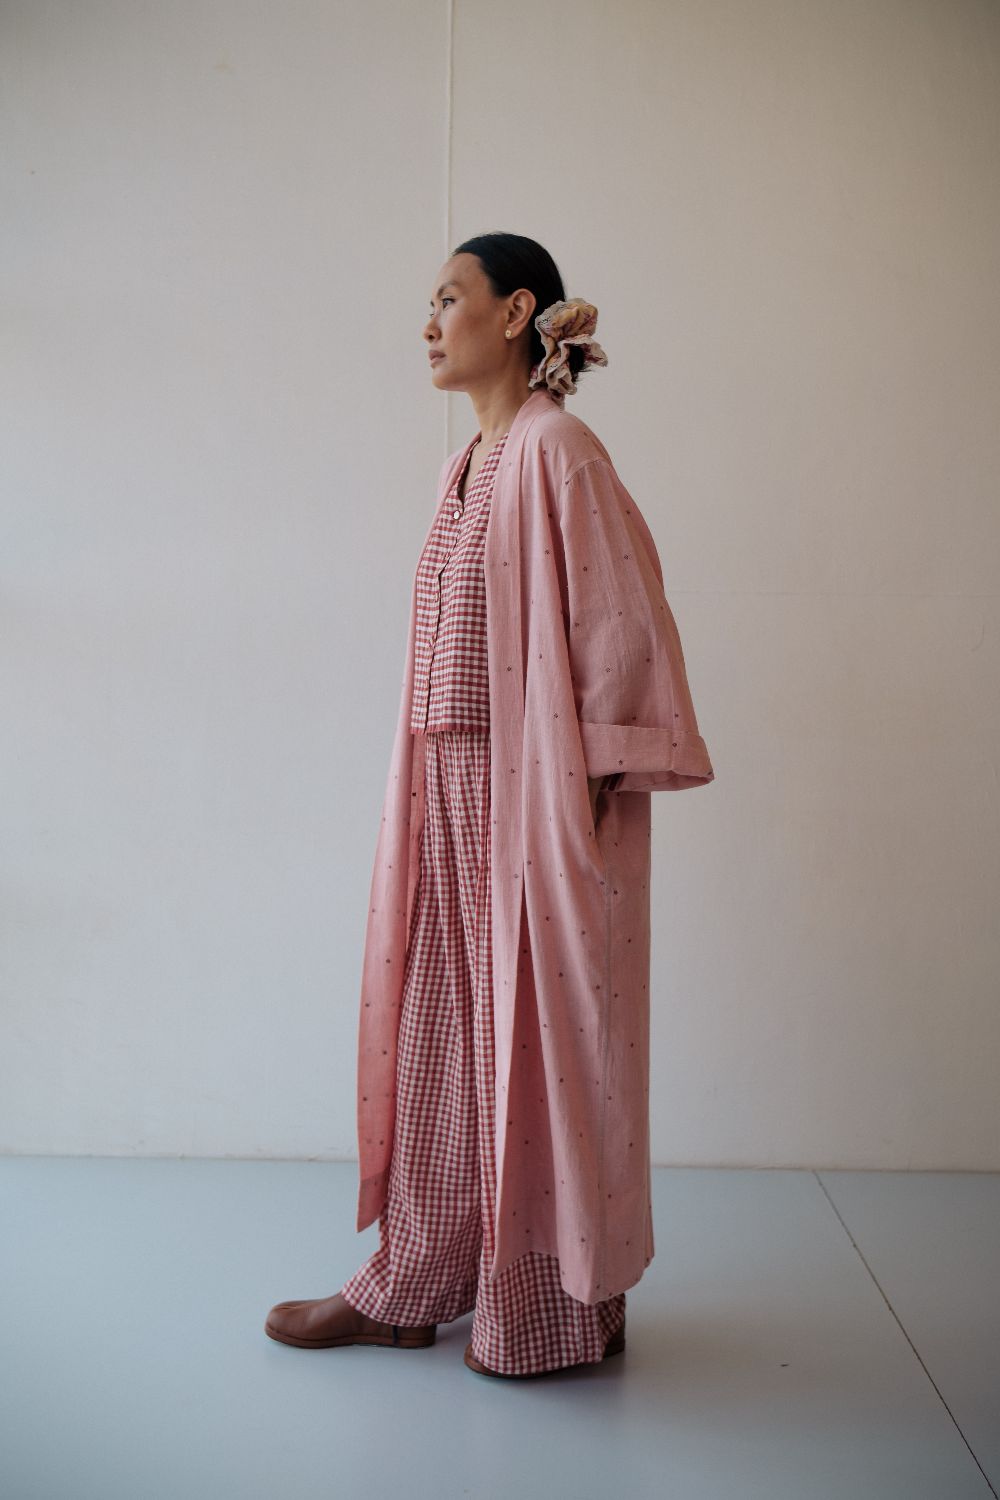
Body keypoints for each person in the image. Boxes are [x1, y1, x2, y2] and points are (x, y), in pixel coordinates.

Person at [264, 231, 714, 1378]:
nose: (429, 323)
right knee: (438, 1038)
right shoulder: (463, 467)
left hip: (530, 804)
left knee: (539, 1051)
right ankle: (412, 1280)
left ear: (515, 313)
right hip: (442, 791)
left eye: (448, 299)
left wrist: (586, 798)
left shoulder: (559, 450)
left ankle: (549, 1308)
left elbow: (620, 624)